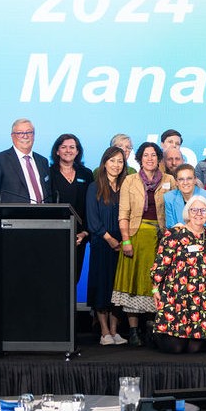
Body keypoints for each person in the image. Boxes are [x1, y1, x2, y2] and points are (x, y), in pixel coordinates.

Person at [113, 142, 177, 346]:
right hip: (136, 235)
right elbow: (123, 214)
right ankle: (133, 331)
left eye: (153, 155)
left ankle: (153, 328)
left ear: (159, 158)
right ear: (139, 158)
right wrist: (126, 240)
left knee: (156, 284)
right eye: (145, 155)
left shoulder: (169, 180)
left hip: (161, 238)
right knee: (134, 284)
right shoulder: (130, 181)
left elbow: (175, 209)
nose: (149, 158)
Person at [150, 195, 206, 353]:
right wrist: (155, 288)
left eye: (203, 210)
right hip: (176, 295)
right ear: (188, 212)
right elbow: (161, 263)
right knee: (176, 348)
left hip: (200, 298)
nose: (198, 213)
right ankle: (151, 334)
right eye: (194, 209)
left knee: (194, 350)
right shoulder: (174, 234)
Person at [86, 146, 128, 345]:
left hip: (123, 245)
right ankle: (104, 332)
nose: (116, 165)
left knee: (117, 289)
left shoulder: (126, 186)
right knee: (102, 287)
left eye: (120, 161)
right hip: (102, 245)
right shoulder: (94, 187)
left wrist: (124, 241)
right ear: (104, 163)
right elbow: (93, 221)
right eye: (112, 161)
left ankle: (114, 330)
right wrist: (110, 239)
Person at [0, 118, 53, 220]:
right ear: (12, 136)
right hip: (12, 223)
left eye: (29, 132)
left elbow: (48, 194)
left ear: (34, 135)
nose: (25, 136)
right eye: (20, 133)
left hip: (43, 221)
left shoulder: (43, 161)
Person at [48, 133, 94, 281]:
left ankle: (69, 305)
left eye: (72, 147)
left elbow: (91, 205)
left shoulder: (86, 174)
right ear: (57, 151)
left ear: (78, 151)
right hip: (55, 234)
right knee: (55, 275)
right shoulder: (48, 173)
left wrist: (85, 233)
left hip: (79, 235)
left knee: (74, 276)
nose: (68, 150)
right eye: (64, 147)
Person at [164, 164, 206, 232]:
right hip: (178, 238)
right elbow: (170, 226)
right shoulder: (169, 198)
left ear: (195, 180)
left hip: (203, 237)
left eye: (189, 178)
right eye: (181, 179)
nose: (185, 183)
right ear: (176, 182)